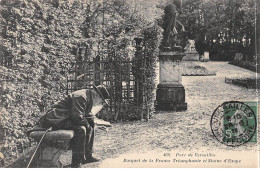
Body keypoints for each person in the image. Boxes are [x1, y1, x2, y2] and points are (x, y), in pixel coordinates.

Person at [37, 84, 110, 168]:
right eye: (102, 101)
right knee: (81, 129)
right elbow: (77, 117)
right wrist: (90, 125)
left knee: (90, 124)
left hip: (65, 118)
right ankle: (76, 162)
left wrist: (97, 122)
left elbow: (88, 114)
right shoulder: (81, 96)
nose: (101, 103)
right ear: (97, 95)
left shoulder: (88, 96)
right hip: (55, 119)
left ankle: (88, 155)